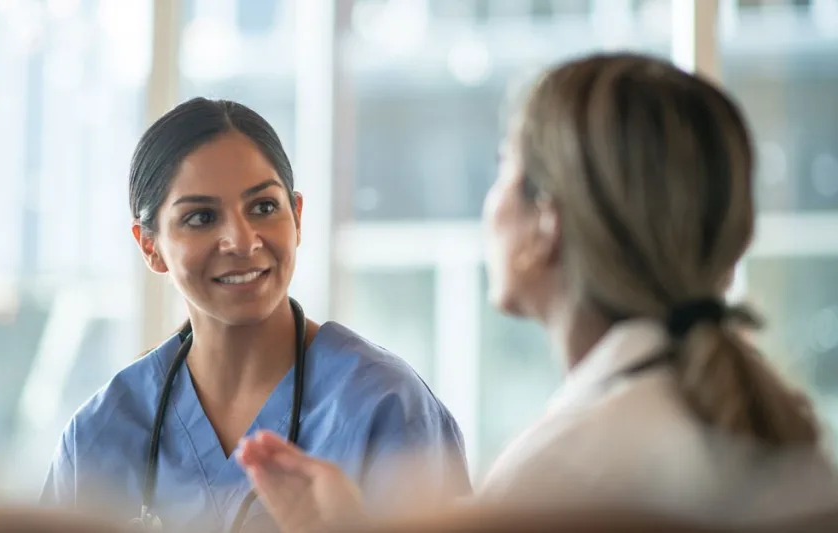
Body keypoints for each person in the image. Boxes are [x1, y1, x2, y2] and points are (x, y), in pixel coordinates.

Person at [235, 53, 838, 532]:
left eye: (504, 169)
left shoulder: (570, 469)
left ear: (546, 224)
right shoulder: (729, 418)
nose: (490, 202)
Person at [40, 98, 470, 532]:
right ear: (150, 247)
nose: (242, 242)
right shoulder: (99, 436)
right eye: (201, 217)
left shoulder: (385, 407)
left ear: (297, 216)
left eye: (263, 207)